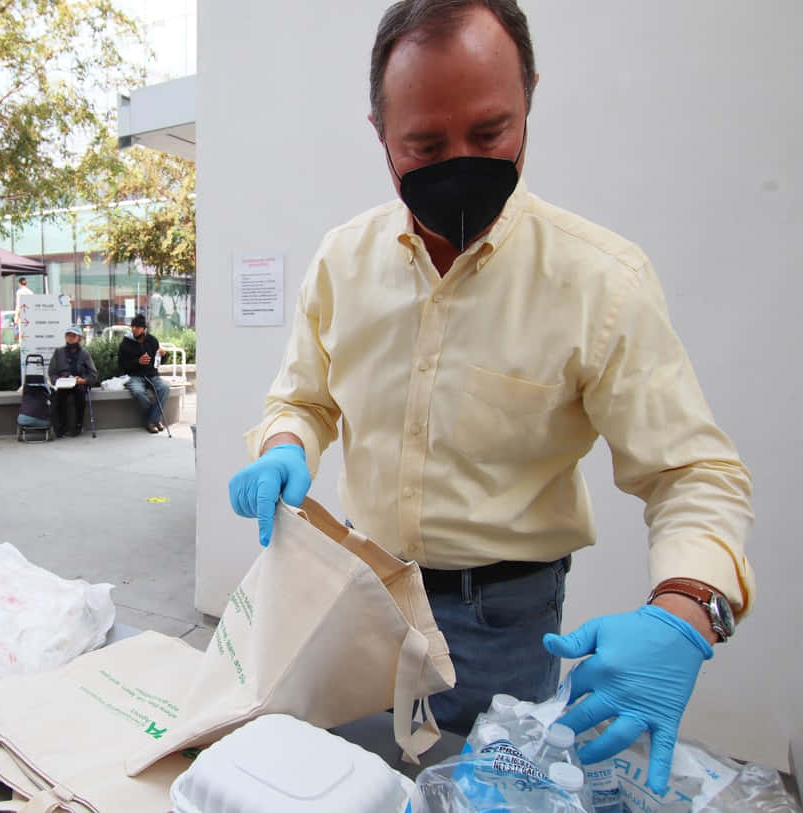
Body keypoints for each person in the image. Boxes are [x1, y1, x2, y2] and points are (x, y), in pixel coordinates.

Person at [227, 0, 753, 794]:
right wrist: (284, 446)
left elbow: (691, 473)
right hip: (360, 597)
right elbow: (302, 398)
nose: (462, 163)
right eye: (425, 145)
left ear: (529, 100)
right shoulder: (343, 261)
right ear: (379, 132)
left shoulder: (599, 282)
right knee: (345, 785)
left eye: (490, 133)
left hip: (503, 621)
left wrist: (685, 607)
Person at [118, 314, 169, 433]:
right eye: (133, 326)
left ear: (144, 329)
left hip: (152, 375)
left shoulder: (152, 340)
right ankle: (154, 419)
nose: (134, 329)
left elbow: (160, 361)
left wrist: (164, 355)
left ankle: (151, 420)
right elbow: (121, 364)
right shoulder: (126, 343)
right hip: (134, 376)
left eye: (138, 327)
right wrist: (138, 361)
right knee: (138, 392)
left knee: (164, 388)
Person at [47, 325, 98, 437]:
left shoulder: (84, 354)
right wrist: (58, 380)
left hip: (78, 383)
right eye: (68, 336)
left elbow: (93, 374)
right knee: (59, 395)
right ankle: (63, 426)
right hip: (62, 383)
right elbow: (52, 372)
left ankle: (78, 425)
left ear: (79, 338)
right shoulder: (58, 352)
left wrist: (83, 380)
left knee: (80, 394)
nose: (70, 338)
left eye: (73, 336)